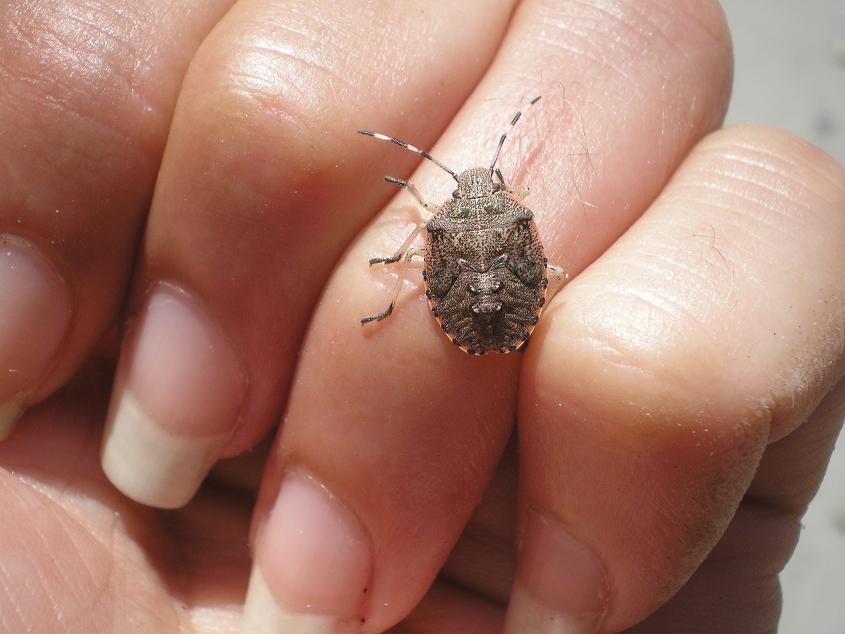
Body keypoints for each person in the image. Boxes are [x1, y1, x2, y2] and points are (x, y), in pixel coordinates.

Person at [0, 0, 842, 632]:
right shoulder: (509, 224)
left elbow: (433, 260)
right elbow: (534, 266)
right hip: (506, 304)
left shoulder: (442, 224)